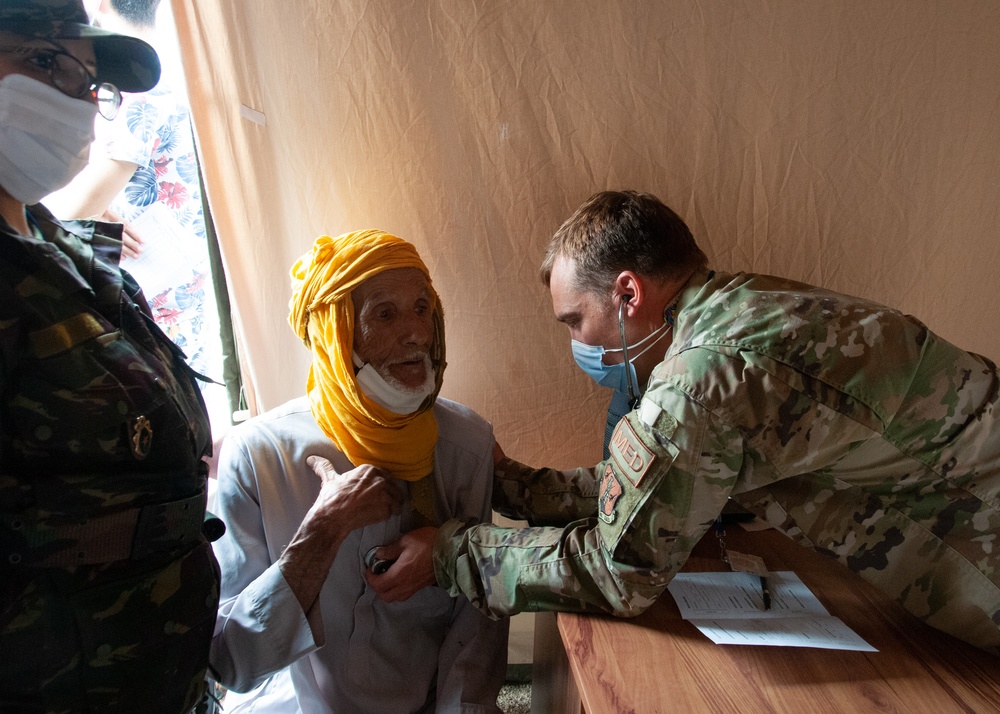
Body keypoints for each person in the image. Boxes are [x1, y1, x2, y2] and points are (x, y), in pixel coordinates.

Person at [378, 189, 1000, 657]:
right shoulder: (746, 304)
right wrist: (510, 482)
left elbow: (616, 572)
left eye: (574, 321)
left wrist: (450, 553)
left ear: (628, 295)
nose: (577, 341)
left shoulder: (700, 378)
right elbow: (650, 481)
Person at [0, 1, 221, 712]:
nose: (78, 102)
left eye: (90, 82)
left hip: (155, 671)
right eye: (44, 62)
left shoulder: (55, 243)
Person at [209, 229, 508, 713]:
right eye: (385, 314)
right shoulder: (258, 456)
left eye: (422, 308)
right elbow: (233, 660)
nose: (416, 334)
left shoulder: (465, 445)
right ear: (336, 331)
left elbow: (473, 637)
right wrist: (324, 530)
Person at [43, 0, 226, 397]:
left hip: (151, 280)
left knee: (157, 397)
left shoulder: (130, 103)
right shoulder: (174, 81)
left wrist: (86, 211)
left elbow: (70, 211)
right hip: (182, 273)